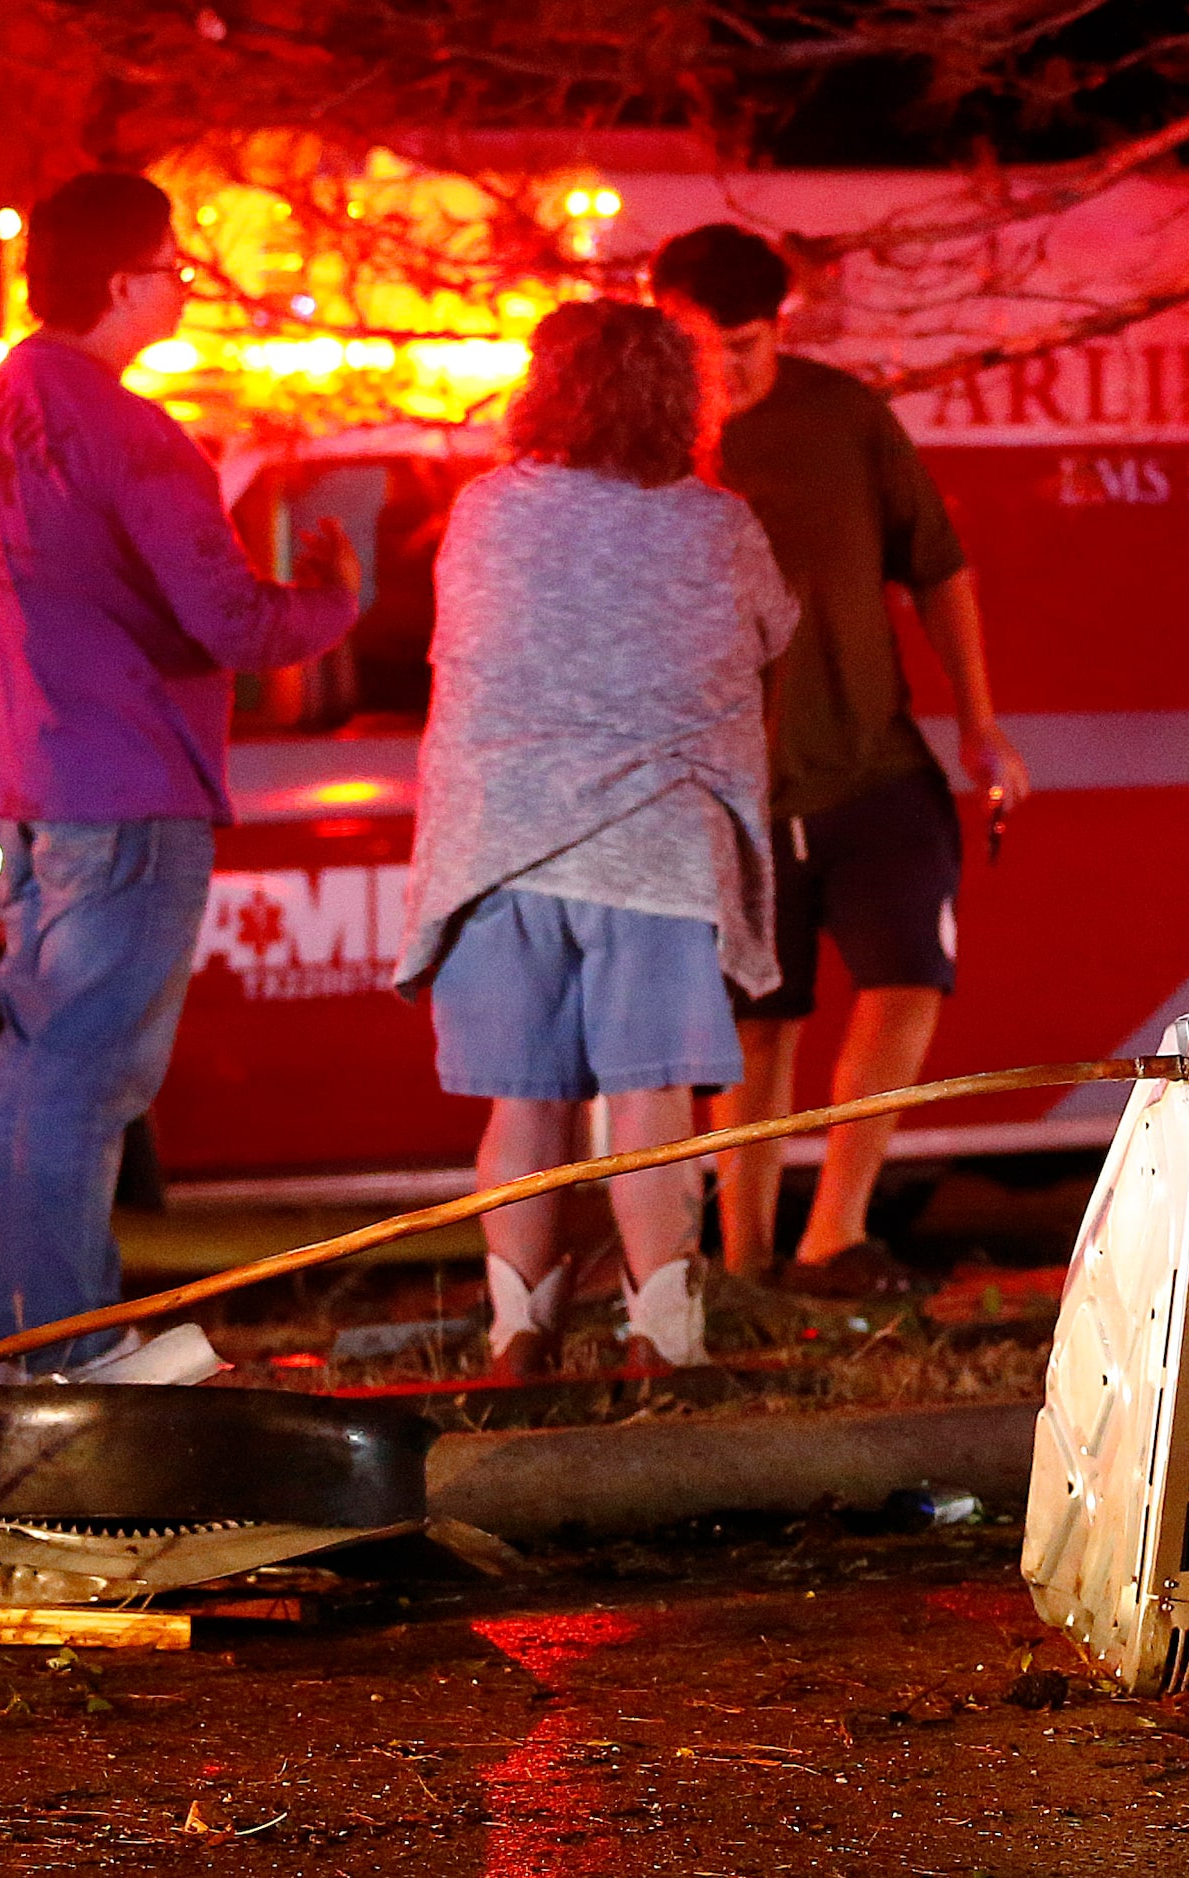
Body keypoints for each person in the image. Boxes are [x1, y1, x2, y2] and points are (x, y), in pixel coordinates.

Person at [0, 170, 360, 1373]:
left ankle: (7, 1343)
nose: (183, 287)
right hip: (128, 785)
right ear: (123, 285)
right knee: (88, 1075)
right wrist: (331, 597)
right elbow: (229, 618)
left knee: (33, 1069)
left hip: (25, 779)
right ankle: (68, 1350)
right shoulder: (129, 431)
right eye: (174, 267)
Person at [396, 298, 798, 1381]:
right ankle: (661, 1339)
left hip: (502, 844)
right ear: (678, 399)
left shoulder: (487, 512)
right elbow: (772, 632)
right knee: (651, 1096)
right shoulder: (716, 524)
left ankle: (517, 1334)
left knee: (525, 1100)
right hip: (655, 852)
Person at [649, 223, 1032, 1299]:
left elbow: (939, 566)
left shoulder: (843, 415)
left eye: (746, 344)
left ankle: (835, 1234)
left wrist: (983, 720)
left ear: (781, 325)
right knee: (757, 1028)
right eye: (700, 348)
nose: (724, 370)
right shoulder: (645, 448)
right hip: (734, 792)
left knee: (911, 973)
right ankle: (746, 1265)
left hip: (873, 763)